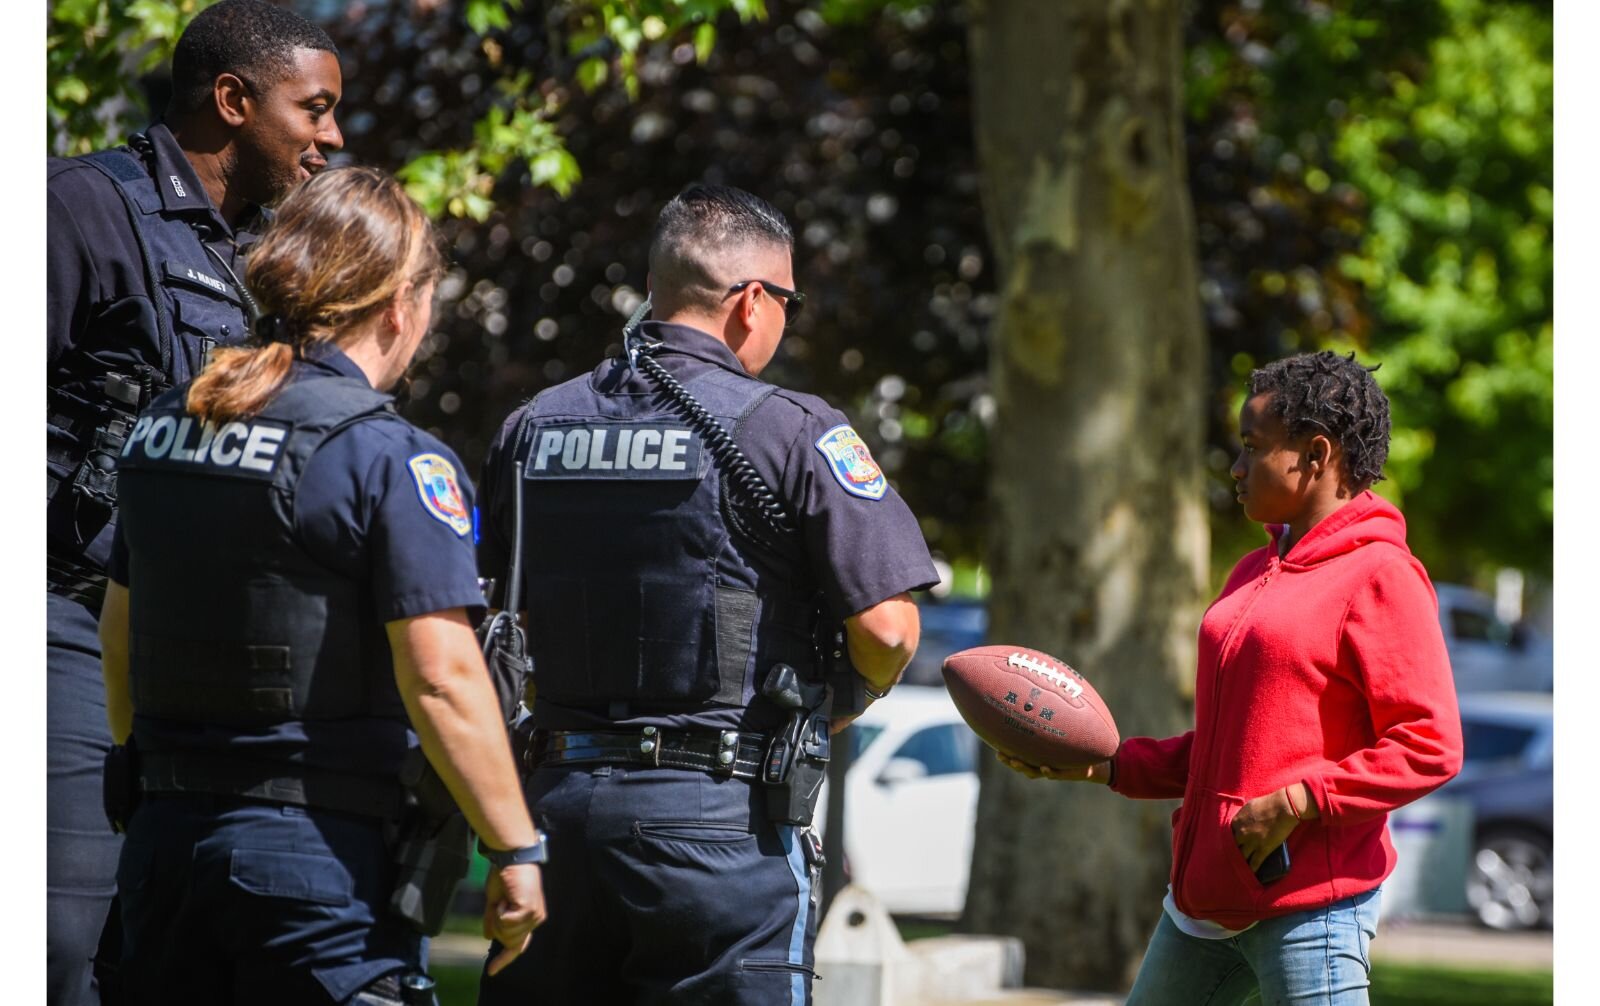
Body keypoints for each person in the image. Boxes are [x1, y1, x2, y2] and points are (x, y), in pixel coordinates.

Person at [474, 183, 939, 1005]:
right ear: (751, 302)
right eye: (788, 300)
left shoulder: (532, 426)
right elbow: (891, 629)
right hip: (716, 832)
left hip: (552, 821)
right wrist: (839, 703)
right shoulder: (790, 428)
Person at [97, 166, 547, 1005]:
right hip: (316, 867)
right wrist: (515, 848)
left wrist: (156, 777)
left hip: (162, 852)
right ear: (398, 308)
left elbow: (120, 635)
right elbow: (443, 677)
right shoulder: (387, 458)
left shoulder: (166, 426)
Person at [1000, 351, 1464, 1005]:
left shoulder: (1380, 575)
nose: (1236, 468)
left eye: (1252, 447)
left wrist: (1299, 801)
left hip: (1311, 907)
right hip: (1204, 901)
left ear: (1316, 454)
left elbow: (1429, 745)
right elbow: (1232, 746)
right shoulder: (1253, 571)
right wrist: (1106, 766)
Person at [48, 3, 345, 1000]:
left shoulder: (257, 256)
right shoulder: (81, 210)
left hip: (182, 654)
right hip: (64, 624)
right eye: (315, 109)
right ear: (234, 100)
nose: (332, 136)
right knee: (66, 940)